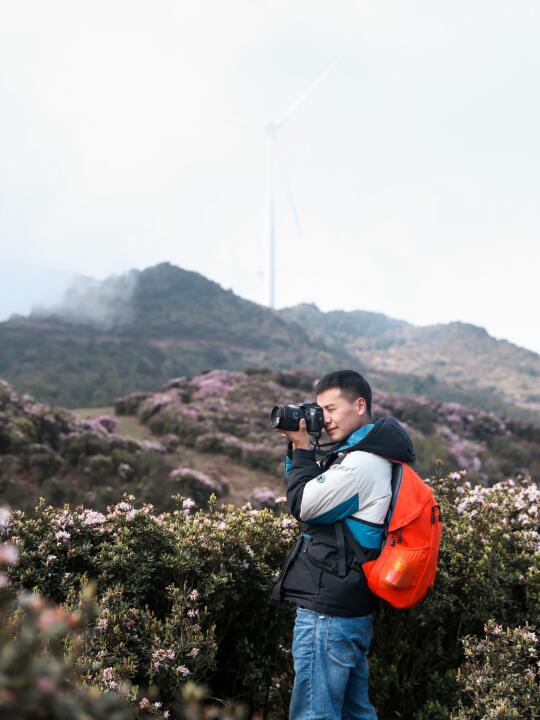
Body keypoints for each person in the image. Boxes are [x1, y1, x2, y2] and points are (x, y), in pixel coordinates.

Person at [270, 370, 416, 720]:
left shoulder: (362, 463)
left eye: (332, 408)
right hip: (348, 606)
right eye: (320, 410)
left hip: (328, 613)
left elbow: (304, 505)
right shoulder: (367, 454)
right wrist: (300, 451)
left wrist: (303, 450)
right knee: (355, 712)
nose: (325, 419)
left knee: (314, 713)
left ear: (360, 404)